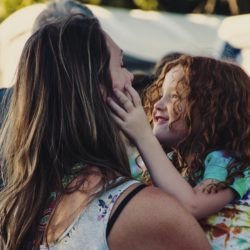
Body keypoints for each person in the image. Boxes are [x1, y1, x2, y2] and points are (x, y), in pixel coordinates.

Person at [0, 15, 210, 250]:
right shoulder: (144, 212)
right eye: (121, 65)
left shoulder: (16, 210)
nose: (131, 76)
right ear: (97, 90)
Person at [108, 55, 250, 249]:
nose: (157, 104)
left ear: (211, 109)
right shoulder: (174, 162)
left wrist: (144, 137)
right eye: (161, 94)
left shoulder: (229, 161)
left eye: (174, 96)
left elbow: (191, 206)